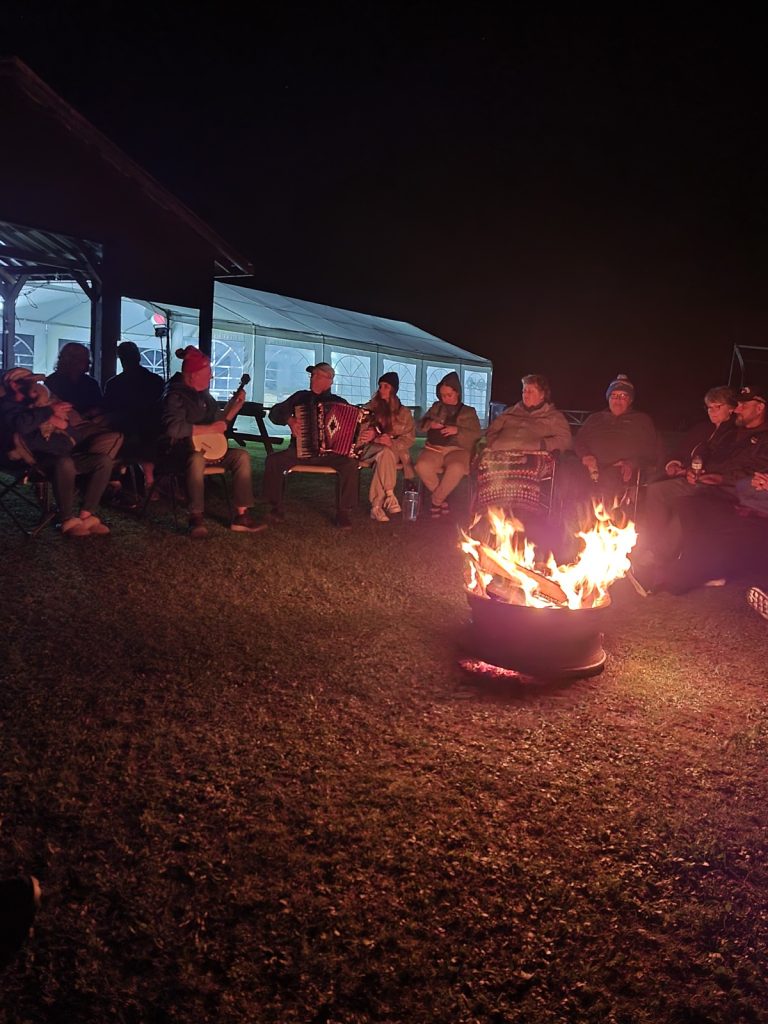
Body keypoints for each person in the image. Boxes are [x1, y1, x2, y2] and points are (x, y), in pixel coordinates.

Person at [632, 383, 768, 592]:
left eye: (743, 405)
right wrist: (695, 468)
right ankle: (653, 548)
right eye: (737, 404)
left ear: (760, 408)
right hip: (706, 480)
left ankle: (658, 562)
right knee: (658, 491)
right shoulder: (731, 430)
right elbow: (707, 449)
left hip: (732, 490)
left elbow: (756, 473)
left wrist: (721, 478)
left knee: (689, 504)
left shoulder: (764, 438)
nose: (737, 409)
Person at [159, 346, 266, 538]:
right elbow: (173, 428)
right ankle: (196, 517)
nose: (211, 378)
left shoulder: (205, 397)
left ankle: (241, 516)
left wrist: (235, 408)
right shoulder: (174, 396)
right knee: (197, 459)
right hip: (181, 452)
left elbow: (220, 423)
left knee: (241, 456)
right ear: (192, 375)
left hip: (209, 450)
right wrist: (208, 429)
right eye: (208, 374)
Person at [0, 367, 113, 535]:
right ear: (14, 386)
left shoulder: (44, 403)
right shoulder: (7, 406)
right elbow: (21, 426)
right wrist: (49, 412)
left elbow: (77, 437)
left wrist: (63, 425)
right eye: (29, 383)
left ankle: (87, 515)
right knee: (65, 463)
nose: (34, 386)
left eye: (34, 382)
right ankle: (66, 518)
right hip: (32, 460)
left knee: (102, 461)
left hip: (62, 454)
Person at [262, 362, 369, 529]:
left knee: (350, 463)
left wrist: (357, 438)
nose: (312, 378)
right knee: (274, 460)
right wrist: (290, 420)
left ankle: (343, 512)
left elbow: (353, 429)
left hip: (330, 455)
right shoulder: (300, 397)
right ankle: (276, 507)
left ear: (329, 381)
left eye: (317, 375)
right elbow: (274, 412)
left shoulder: (339, 403)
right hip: (300, 450)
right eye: (312, 375)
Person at [573, 373, 658, 504]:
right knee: (568, 475)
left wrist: (632, 463)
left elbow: (651, 451)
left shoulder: (642, 420)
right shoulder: (595, 418)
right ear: (608, 398)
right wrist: (585, 455)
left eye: (623, 396)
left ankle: (609, 521)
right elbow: (579, 440)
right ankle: (572, 522)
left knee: (610, 479)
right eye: (614, 396)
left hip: (622, 469)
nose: (617, 400)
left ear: (630, 400)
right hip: (591, 466)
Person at [415, 371, 481, 518]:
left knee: (457, 468)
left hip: (458, 449)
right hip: (434, 448)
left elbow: (476, 433)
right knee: (421, 466)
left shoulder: (468, 412)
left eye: (449, 395)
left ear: (457, 393)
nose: (445, 399)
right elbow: (420, 424)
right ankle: (443, 499)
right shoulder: (437, 407)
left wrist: (457, 430)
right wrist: (431, 424)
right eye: (443, 395)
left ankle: (436, 500)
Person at [104, 341, 164, 493]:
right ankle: (148, 480)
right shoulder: (156, 381)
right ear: (138, 357)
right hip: (150, 430)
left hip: (129, 431)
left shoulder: (114, 384)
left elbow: (108, 410)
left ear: (121, 359)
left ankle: (118, 476)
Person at [45, 342, 123, 459]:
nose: (90, 362)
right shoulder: (53, 382)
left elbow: (100, 407)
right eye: (85, 359)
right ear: (73, 360)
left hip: (92, 424)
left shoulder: (90, 384)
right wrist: (87, 415)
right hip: (64, 427)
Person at [359, 371, 416, 523]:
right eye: (380, 386)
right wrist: (372, 435)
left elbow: (409, 439)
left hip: (393, 451)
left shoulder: (404, 413)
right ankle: (390, 496)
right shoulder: (369, 409)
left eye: (385, 386)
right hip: (369, 450)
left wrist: (391, 442)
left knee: (386, 453)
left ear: (393, 390)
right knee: (385, 454)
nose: (381, 390)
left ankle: (376, 506)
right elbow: (358, 431)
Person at [484, 374, 572, 454]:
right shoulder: (510, 412)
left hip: (532, 461)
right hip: (500, 455)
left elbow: (565, 441)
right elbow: (492, 430)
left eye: (530, 391)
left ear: (542, 395)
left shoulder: (554, 417)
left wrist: (541, 445)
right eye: (524, 391)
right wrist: (493, 443)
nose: (525, 395)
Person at [664, 385, 738, 478]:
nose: (711, 411)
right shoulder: (701, 428)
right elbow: (679, 451)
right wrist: (673, 464)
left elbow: (717, 463)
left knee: (659, 488)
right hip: (682, 474)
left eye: (717, 406)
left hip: (705, 478)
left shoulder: (735, 432)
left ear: (731, 408)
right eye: (709, 407)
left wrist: (689, 470)